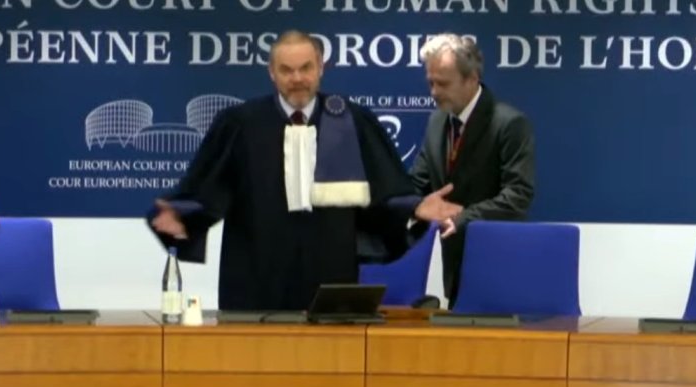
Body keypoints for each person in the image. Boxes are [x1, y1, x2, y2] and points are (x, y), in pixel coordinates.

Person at [148, 30, 463, 311]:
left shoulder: (352, 120)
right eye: (286, 70)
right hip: (255, 279)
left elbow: (384, 192)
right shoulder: (240, 124)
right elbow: (206, 189)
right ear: (272, 73)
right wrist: (180, 214)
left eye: (305, 68)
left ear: (321, 67)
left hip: (330, 277)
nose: (297, 78)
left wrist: (414, 207)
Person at [409, 34, 536, 305]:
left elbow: (518, 195)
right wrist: (407, 205)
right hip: (455, 267)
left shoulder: (509, 123)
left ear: (472, 79)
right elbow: (417, 182)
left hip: (498, 263)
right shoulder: (436, 122)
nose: (434, 92)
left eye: (443, 83)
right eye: (431, 83)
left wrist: (463, 217)